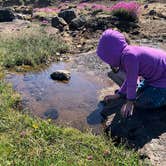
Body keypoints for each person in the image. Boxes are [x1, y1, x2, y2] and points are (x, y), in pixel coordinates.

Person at [97, 29, 166, 118]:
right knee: (138, 92)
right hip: (154, 78)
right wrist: (119, 94)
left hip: (162, 79)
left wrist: (130, 102)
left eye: (108, 59)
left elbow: (132, 82)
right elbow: (130, 78)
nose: (108, 63)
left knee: (141, 103)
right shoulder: (126, 54)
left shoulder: (129, 57)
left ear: (112, 54)